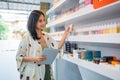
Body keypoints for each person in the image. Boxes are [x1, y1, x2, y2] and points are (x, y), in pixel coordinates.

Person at [16, 10, 73, 80]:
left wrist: (65, 33)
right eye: (40, 21)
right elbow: (19, 56)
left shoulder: (47, 36)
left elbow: (57, 47)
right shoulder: (27, 37)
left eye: (44, 20)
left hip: (47, 70)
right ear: (34, 22)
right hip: (33, 73)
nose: (43, 23)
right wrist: (35, 59)